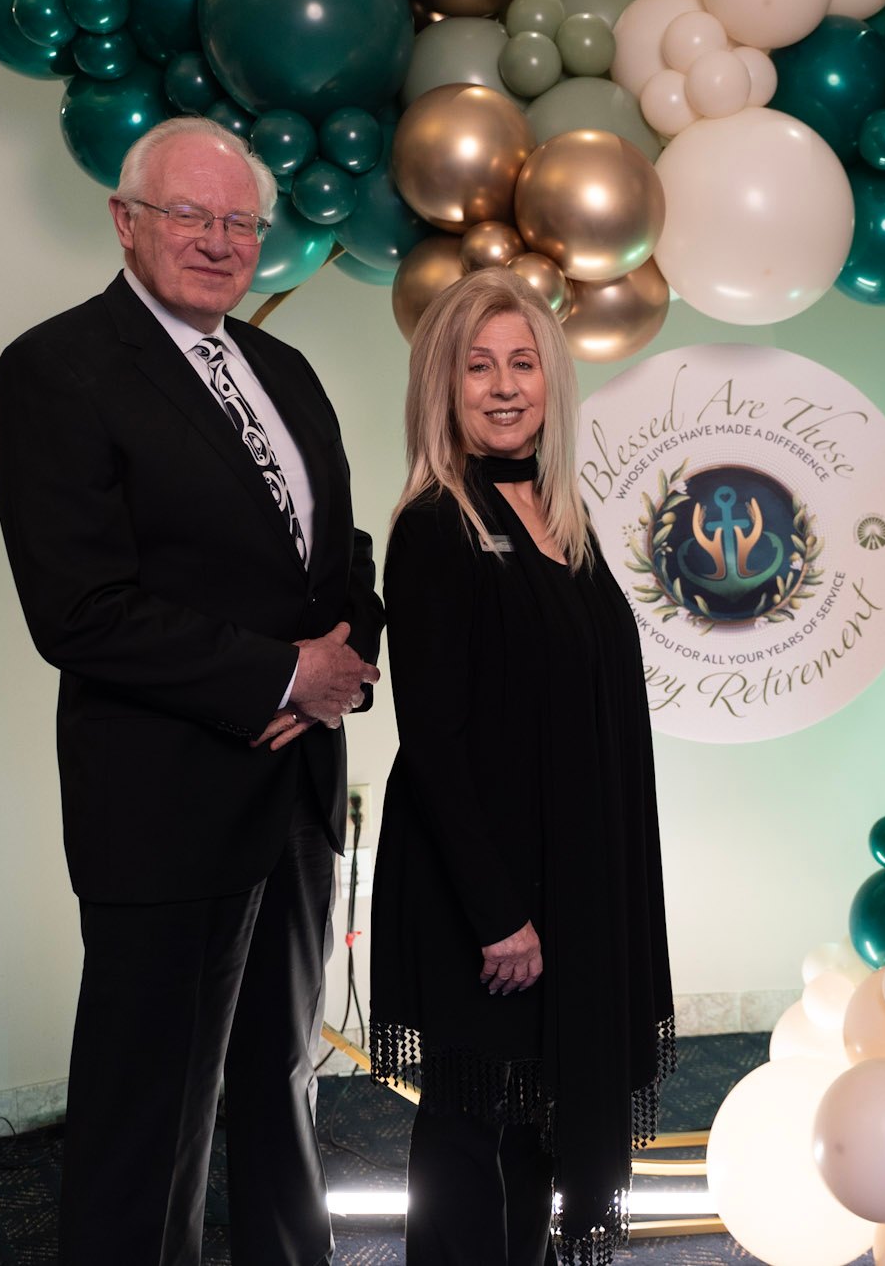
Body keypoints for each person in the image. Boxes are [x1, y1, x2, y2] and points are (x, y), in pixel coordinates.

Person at [0, 116, 384, 1266]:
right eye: (189, 215)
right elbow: (79, 609)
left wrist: (336, 669)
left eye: (239, 222)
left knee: (282, 1082)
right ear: (126, 221)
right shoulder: (55, 370)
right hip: (163, 806)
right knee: (147, 1121)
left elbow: (342, 558)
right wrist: (281, 674)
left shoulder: (283, 370)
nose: (218, 240)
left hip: (296, 791)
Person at [368, 269, 675, 1266]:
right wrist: (498, 912)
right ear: (441, 386)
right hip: (480, 898)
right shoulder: (435, 526)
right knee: (468, 1128)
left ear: (552, 380)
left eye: (523, 363)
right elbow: (435, 741)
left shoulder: (562, 515)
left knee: (539, 1121)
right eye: (477, 366)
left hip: (568, 889)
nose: (504, 386)